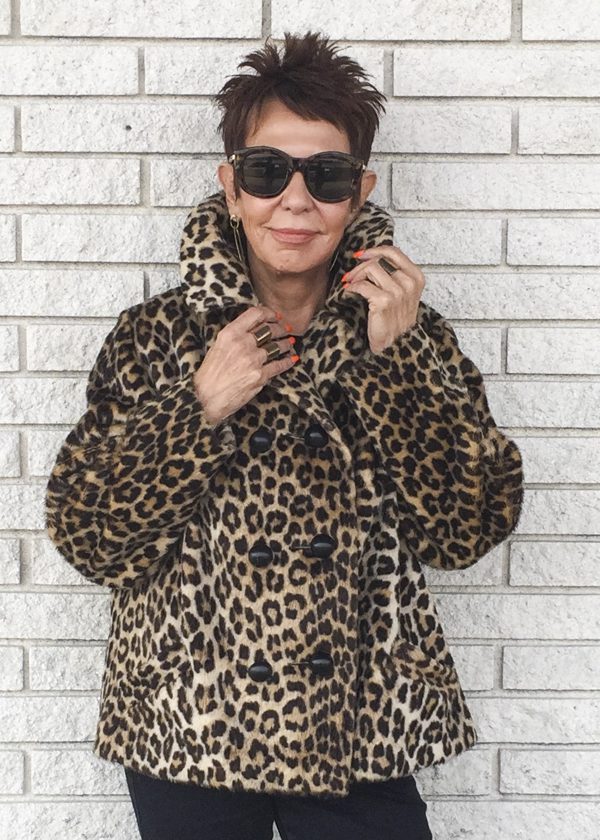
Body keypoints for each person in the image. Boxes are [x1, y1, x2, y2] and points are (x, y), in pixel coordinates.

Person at [44, 30, 524, 840]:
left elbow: (465, 531)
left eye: (326, 176)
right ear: (232, 188)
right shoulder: (157, 338)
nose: (296, 202)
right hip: (189, 725)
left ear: (359, 190)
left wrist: (394, 368)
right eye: (268, 172)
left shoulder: (411, 336)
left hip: (360, 727)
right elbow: (91, 540)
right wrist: (198, 404)